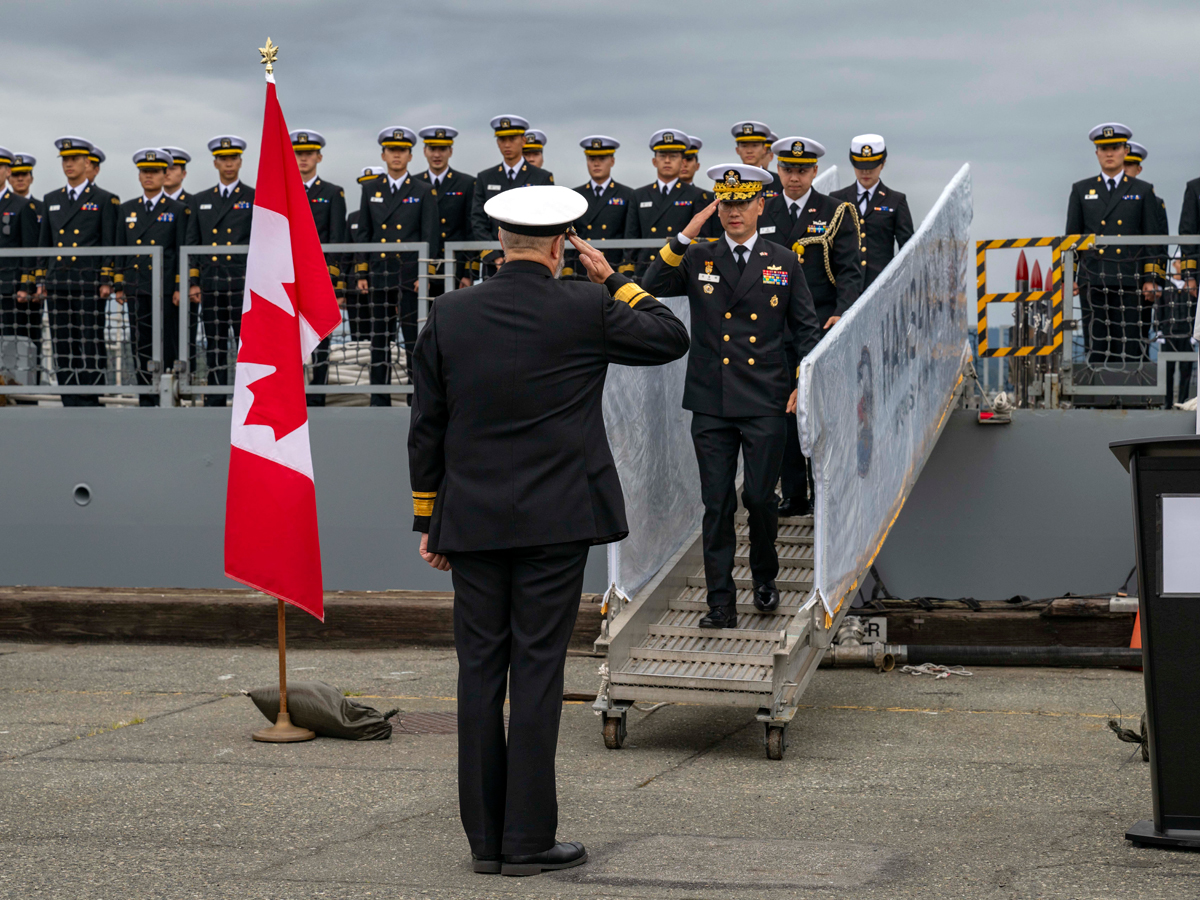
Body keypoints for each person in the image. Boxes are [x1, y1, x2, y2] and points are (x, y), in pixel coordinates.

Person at [408, 184, 688, 877]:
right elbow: (668, 337)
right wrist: (614, 280)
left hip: (470, 520)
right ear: (563, 244)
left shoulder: (449, 314)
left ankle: (484, 844)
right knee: (536, 671)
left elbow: (427, 427)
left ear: (500, 242)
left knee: (479, 674)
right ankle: (527, 841)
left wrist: (428, 517)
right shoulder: (587, 307)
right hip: (557, 519)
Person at [643, 165, 821, 626]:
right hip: (712, 401)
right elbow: (650, 285)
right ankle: (720, 602)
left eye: (742, 202)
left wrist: (806, 380)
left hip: (765, 398)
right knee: (717, 503)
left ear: (762, 204)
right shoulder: (699, 255)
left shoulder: (784, 260)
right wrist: (685, 234)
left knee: (761, 499)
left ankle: (764, 577)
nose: (733, 211)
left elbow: (805, 329)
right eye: (725, 203)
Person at [760, 137, 863, 516]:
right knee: (782, 411)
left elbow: (851, 271)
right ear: (778, 170)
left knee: (820, 411)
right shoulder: (764, 210)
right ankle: (794, 493)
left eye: (802, 170)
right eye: (787, 169)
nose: (793, 177)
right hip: (773, 327)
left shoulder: (836, 212)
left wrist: (843, 311)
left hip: (818, 327)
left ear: (815, 171)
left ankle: (824, 488)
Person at [1065, 123, 1164, 365]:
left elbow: (1153, 240)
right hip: (1093, 278)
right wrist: (1069, 278)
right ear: (1096, 152)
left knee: (1130, 344)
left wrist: (1152, 278)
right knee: (1096, 343)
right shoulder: (1081, 189)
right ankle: (1095, 399)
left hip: (1130, 279)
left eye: (1115, 148)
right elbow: (1072, 239)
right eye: (1104, 148)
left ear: (1125, 150)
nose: (1109, 153)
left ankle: (1134, 400)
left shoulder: (1143, 190)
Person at [354, 126, 440, 406]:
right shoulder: (370, 189)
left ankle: (417, 398)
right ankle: (379, 398)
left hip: (409, 276)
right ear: (383, 154)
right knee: (379, 339)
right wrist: (362, 272)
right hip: (379, 275)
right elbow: (364, 234)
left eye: (402, 151)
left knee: (413, 340)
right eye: (392, 151)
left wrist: (424, 274)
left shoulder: (424, 190)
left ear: (410, 156)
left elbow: (430, 236)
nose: (396, 156)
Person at [34, 136, 119, 407]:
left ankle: (91, 394)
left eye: (74, 160)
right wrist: (41, 278)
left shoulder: (105, 199)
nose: (69, 164)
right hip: (58, 280)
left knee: (90, 337)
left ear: (87, 162)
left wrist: (106, 278)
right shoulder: (52, 199)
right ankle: (68, 395)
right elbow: (44, 243)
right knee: (62, 339)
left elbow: (108, 242)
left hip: (88, 281)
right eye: (65, 160)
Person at [112, 149, 190, 406]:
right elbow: (120, 249)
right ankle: (146, 395)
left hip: (166, 288)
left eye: (154, 172)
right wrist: (119, 283)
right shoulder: (127, 209)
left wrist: (180, 286)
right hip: (137, 287)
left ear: (165, 174)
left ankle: (169, 394)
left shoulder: (178, 209)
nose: (148, 176)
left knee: (168, 342)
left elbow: (180, 251)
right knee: (140, 343)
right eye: (144, 172)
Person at [187, 135, 254, 406]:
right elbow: (192, 244)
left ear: (240, 161)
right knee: (214, 343)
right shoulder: (200, 200)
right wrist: (194, 281)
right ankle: (214, 398)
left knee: (246, 346)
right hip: (212, 283)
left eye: (233, 158)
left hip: (243, 283)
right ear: (215, 163)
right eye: (223, 159)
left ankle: (247, 400)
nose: (228, 164)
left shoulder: (254, 196)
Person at [290, 129, 347, 408]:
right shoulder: (281, 191)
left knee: (321, 334)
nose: (303, 158)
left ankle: (318, 392)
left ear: (319, 157)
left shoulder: (333, 193)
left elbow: (337, 238)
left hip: (318, 276)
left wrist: (333, 279)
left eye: (308, 154)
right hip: (287, 277)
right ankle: (290, 389)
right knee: (287, 336)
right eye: (298, 153)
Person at [470, 115, 554, 275]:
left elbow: (547, 220)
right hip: (495, 263)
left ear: (523, 141)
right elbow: (478, 219)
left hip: (532, 261)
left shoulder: (541, 177)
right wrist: (494, 257)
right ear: (497, 142)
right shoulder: (485, 177)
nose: (507, 144)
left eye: (512, 138)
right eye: (502, 139)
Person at [625, 129, 714, 277]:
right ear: (654, 161)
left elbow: (701, 240)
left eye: (673, 156)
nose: (667, 161)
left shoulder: (696, 195)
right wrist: (628, 271)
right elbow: (631, 238)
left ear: (682, 161)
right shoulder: (639, 195)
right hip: (645, 269)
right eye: (662, 156)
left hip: (680, 270)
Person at [829, 134, 914, 288]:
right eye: (860, 166)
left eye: (871, 166)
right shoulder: (837, 199)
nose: (865, 172)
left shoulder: (895, 200)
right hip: (843, 288)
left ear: (882, 164)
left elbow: (906, 249)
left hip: (881, 287)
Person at [416, 125, 476, 294]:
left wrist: (468, 273)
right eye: (432, 149)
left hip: (455, 269)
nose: (437, 155)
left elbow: (470, 230)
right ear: (424, 151)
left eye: (442, 149)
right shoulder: (413, 184)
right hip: (421, 269)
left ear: (451, 151)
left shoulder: (466, 183)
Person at [0, 147, 42, 385]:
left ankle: (22, 394)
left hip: (10, 290)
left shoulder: (21, 206)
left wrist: (26, 285)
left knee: (15, 343)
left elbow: (30, 252)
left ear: (7, 172)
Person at [566, 135, 634, 278]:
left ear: (612, 161)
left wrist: (626, 266)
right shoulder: (575, 195)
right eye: (592, 159)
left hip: (613, 267)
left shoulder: (627, 194)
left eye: (602, 159)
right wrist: (567, 268)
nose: (596, 164)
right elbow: (570, 235)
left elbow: (629, 234)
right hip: (583, 267)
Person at [345, 166, 383, 343]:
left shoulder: (387, 219)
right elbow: (346, 254)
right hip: (355, 287)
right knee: (357, 337)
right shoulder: (353, 218)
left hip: (382, 283)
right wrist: (340, 288)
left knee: (383, 336)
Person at [731, 121, 783, 195]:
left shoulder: (777, 181)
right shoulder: (729, 180)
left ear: (764, 149)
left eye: (755, 146)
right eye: (744, 146)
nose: (749, 151)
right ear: (737, 150)